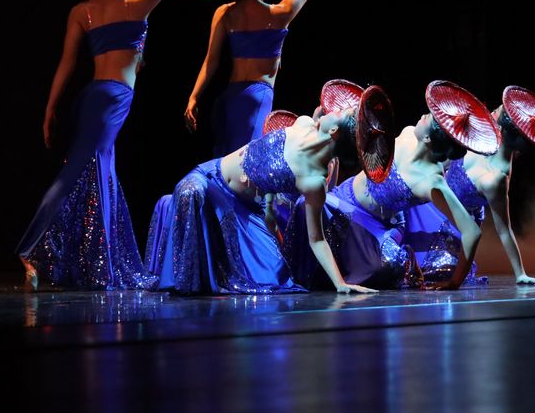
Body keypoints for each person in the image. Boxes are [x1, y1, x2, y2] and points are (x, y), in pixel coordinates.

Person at [17, 0, 243, 290]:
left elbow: (67, 64)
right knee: (85, 171)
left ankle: (83, 259)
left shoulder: (82, 11)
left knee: (95, 171)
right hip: (110, 99)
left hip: (94, 97)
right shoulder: (135, 4)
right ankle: (33, 248)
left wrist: (51, 108)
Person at [145, 86, 394, 294]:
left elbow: (317, 239)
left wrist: (340, 283)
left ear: (333, 131)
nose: (333, 109)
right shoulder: (304, 123)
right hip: (210, 179)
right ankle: (185, 280)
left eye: (339, 113)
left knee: (273, 277)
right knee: (189, 191)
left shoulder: (313, 181)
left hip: (243, 209)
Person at [283, 81, 501, 290]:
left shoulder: (431, 181)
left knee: (382, 268)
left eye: (429, 118)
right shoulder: (408, 133)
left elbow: (472, 232)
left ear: (428, 138)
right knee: (304, 206)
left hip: (372, 227)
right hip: (344, 198)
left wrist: (454, 283)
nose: (424, 115)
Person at [183, 0, 371, 156]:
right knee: (245, 162)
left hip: (229, 99)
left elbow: (211, 61)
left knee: (225, 161)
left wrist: (193, 97)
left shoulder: (224, 13)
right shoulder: (280, 14)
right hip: (256, 99)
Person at [404, 86, 535, 286]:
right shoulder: (476, 139)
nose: (491, 112)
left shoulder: (495, 179)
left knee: (426, 268)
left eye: (497, 111)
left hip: (453, 226)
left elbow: (504, 229)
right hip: (429, 203)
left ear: (503, 128)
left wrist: (520, 273)